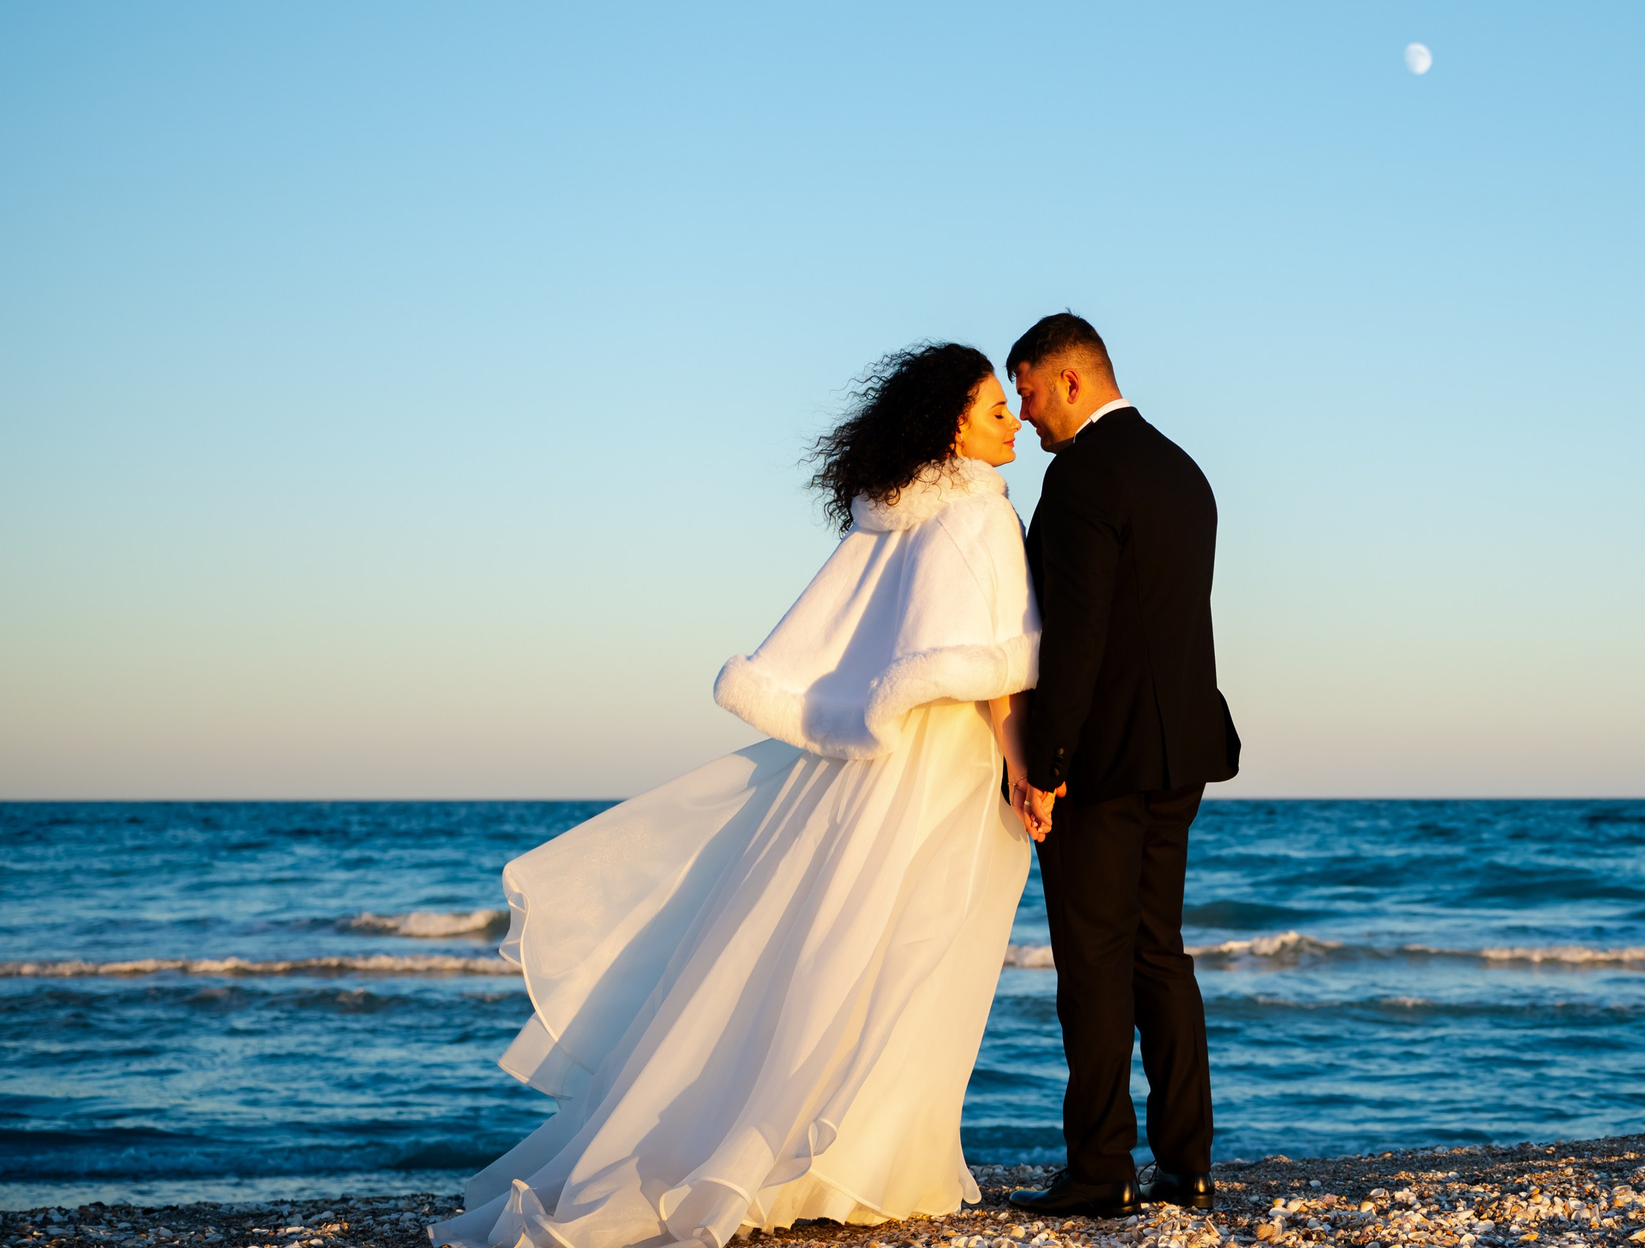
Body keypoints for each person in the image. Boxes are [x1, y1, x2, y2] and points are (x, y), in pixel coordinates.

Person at [432, 343, 1046, 1248]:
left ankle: (815, 1147)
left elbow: (872, 647)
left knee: (836, 945)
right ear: (955, 422)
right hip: (941, 761)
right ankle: (863, 1160)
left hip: (869, 762)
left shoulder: (893, 518)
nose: (1013, 424)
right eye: (996, 407)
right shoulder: (980, 518)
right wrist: (1024, 768)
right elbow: (987, 666)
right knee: (916, 951)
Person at [1001, 313, 1242, 1220]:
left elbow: (1080, 638)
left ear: (1070, 379)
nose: (1024, 416)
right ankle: (1189, 1163)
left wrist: (1046, 762)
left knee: (1092, 967)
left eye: (1026, 392)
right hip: (1179, 754)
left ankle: (1101, 1169)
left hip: (1100, 762)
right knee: (1158, 955)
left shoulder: (1080, 482)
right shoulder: (1186, 472)